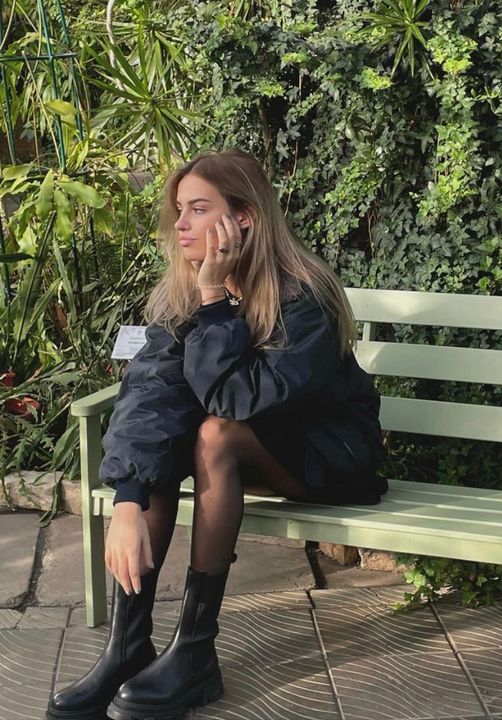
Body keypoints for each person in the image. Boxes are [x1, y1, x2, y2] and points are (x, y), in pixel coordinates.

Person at [46, 149, 387, 720]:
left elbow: (237, 401)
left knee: (214, 433)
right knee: (164, 443)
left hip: (328, 459)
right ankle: (128, 649)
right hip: (249, 456)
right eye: (178, 209)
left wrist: (214, 303)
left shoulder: (304, 297)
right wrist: (127, 502)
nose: (179, 224)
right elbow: (151, 395)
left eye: (197, 209)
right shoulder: (182, 293)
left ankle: (196, 651)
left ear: (243, 218)